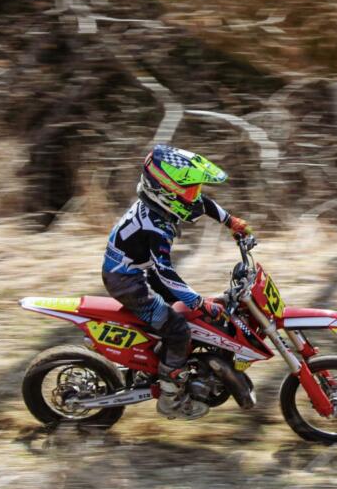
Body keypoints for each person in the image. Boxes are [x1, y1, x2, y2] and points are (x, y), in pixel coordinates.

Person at [102, 145, 250, 418]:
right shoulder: (155, 226)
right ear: (165, 191)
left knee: (189, 315)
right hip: (126, 281)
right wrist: (199, 302)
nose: (194, 196)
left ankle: (171, 359)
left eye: (195, 189)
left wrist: (231, 221)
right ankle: (170, 397)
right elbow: (165, 273)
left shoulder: (160, 205)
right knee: (179, 328)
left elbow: (202, 203)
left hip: (140, 269)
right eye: (188, 191)